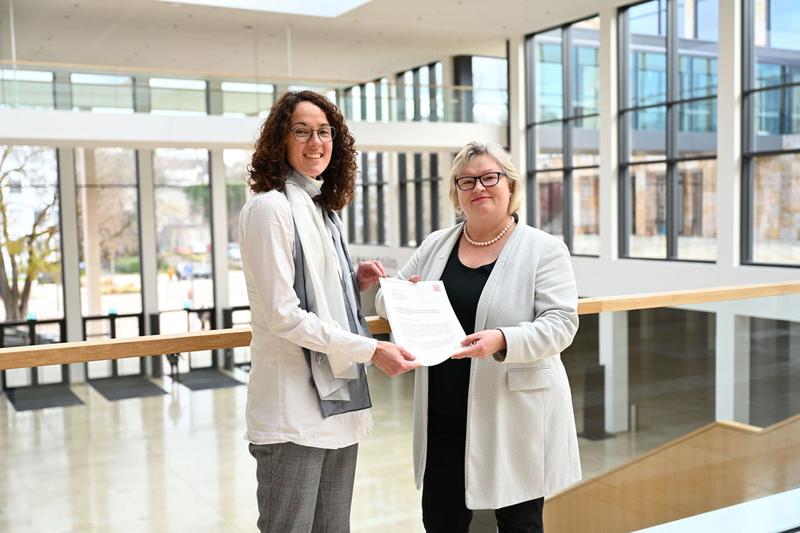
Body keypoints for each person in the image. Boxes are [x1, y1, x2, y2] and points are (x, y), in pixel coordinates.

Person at [376, 141, 581, 533]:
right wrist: (405, 297)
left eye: (490, 177)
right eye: (466, 181)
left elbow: (561, 323)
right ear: (456, 193)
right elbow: (389, 294)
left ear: (510, 186)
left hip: (512, 412)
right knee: (440, 520)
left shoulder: (544, 249)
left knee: (519, 523)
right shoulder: (437, 244)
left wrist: (503, 339)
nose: (479, 188)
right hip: (444, 413)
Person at [239, 90, 418, 533]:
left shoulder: (323, 211)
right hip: (292, 413)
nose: (314, 141)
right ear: (280, 141)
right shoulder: (270, 209)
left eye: (324, 132)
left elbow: (314, 289)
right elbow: (283, 313)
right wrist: (371, 351)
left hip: (336, 410)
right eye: (301, 131)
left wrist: (351, 282)